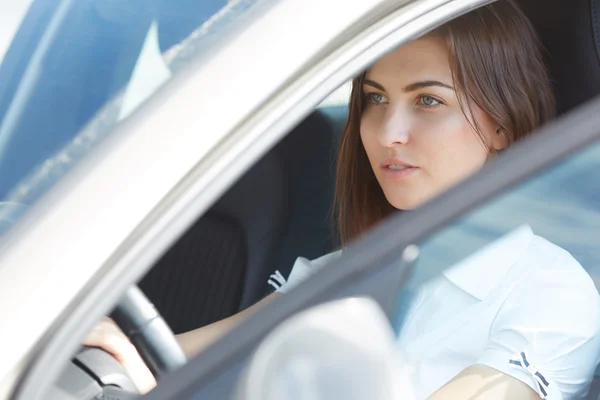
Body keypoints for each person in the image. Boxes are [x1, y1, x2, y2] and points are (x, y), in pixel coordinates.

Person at [85, 1, 600, 398]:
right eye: (376, 98)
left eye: (428, 101)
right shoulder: (346, 270)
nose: (386, 132)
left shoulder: (550, 293)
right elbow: (174, 359)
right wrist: (98, 343)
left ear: (503, 125)